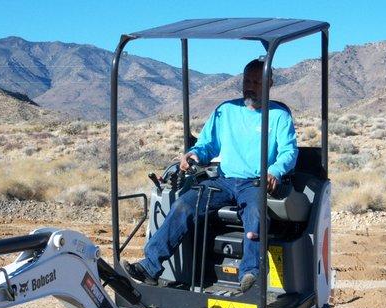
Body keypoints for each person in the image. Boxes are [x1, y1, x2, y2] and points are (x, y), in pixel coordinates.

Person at [123, 58, 298, 292]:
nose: (250, 85)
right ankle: (151, 266)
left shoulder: (278, 116)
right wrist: (193, 155)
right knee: (184, 204)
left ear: (269, 83)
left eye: (257, 81)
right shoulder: (225, 111)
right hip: (224, 180)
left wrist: (274, 171)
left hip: (255, 183)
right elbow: (207, 145)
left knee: (256, 212)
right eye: (247, 80)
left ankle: (250, 272)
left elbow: (288, 151)